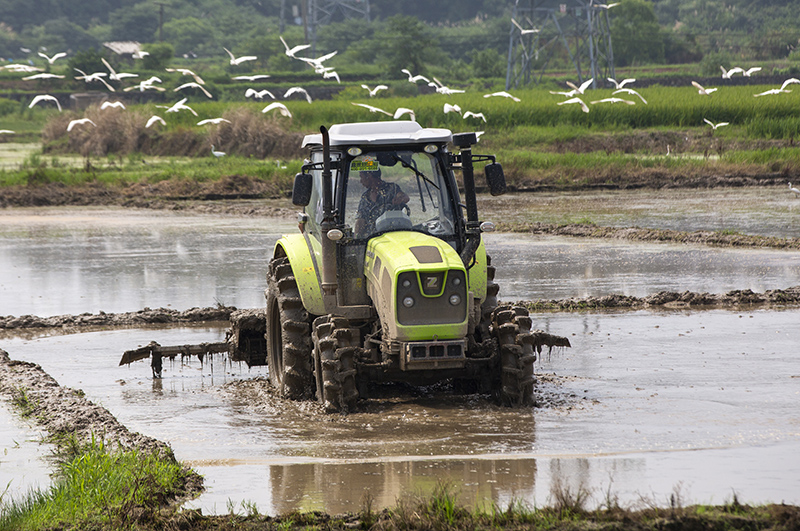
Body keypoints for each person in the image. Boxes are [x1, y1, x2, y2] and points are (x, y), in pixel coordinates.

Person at [354, 168, 410, 237]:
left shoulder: (392, 188)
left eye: (361, 177)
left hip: (393, 234)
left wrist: (400, 199)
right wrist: (356, 238)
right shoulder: (365, 197)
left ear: (369, 176)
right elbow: (360, 220)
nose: (361, 181)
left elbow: (405, 197)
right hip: (371, 238)